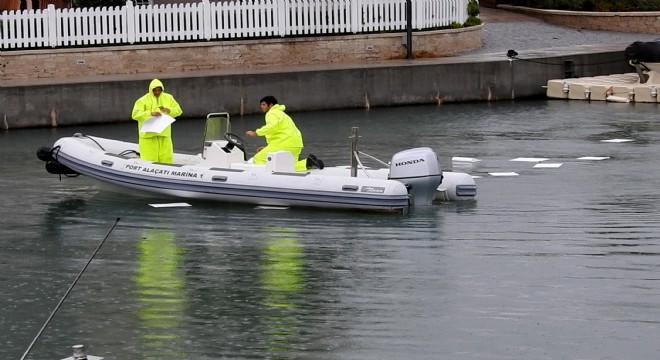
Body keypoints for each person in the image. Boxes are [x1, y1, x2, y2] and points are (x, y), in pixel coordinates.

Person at [245, 96, 324, 171]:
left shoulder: (271, 113)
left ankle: (263, 178)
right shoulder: (282, 114)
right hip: (296, 144)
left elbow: (271, 127)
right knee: (291, 165)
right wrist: (268, 147)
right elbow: (279, 132)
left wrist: (255, 133)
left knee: (258, 159)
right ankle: (307, 162)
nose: (261, 107)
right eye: (261, 105)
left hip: (284, 143)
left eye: (263, 104)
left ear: (271, 105)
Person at [131, 79, 183, 163]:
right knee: (148, 160)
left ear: (162, 89)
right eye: (154, 90)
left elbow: (179, 111)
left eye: (159, 90)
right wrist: (150, 114)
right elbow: (135, 114)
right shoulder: (142, 100)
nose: (157, 92)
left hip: (164, 135)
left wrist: (169, 110)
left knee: (166, 159)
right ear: (151, 90)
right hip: (148, 136)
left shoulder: (168, 98)